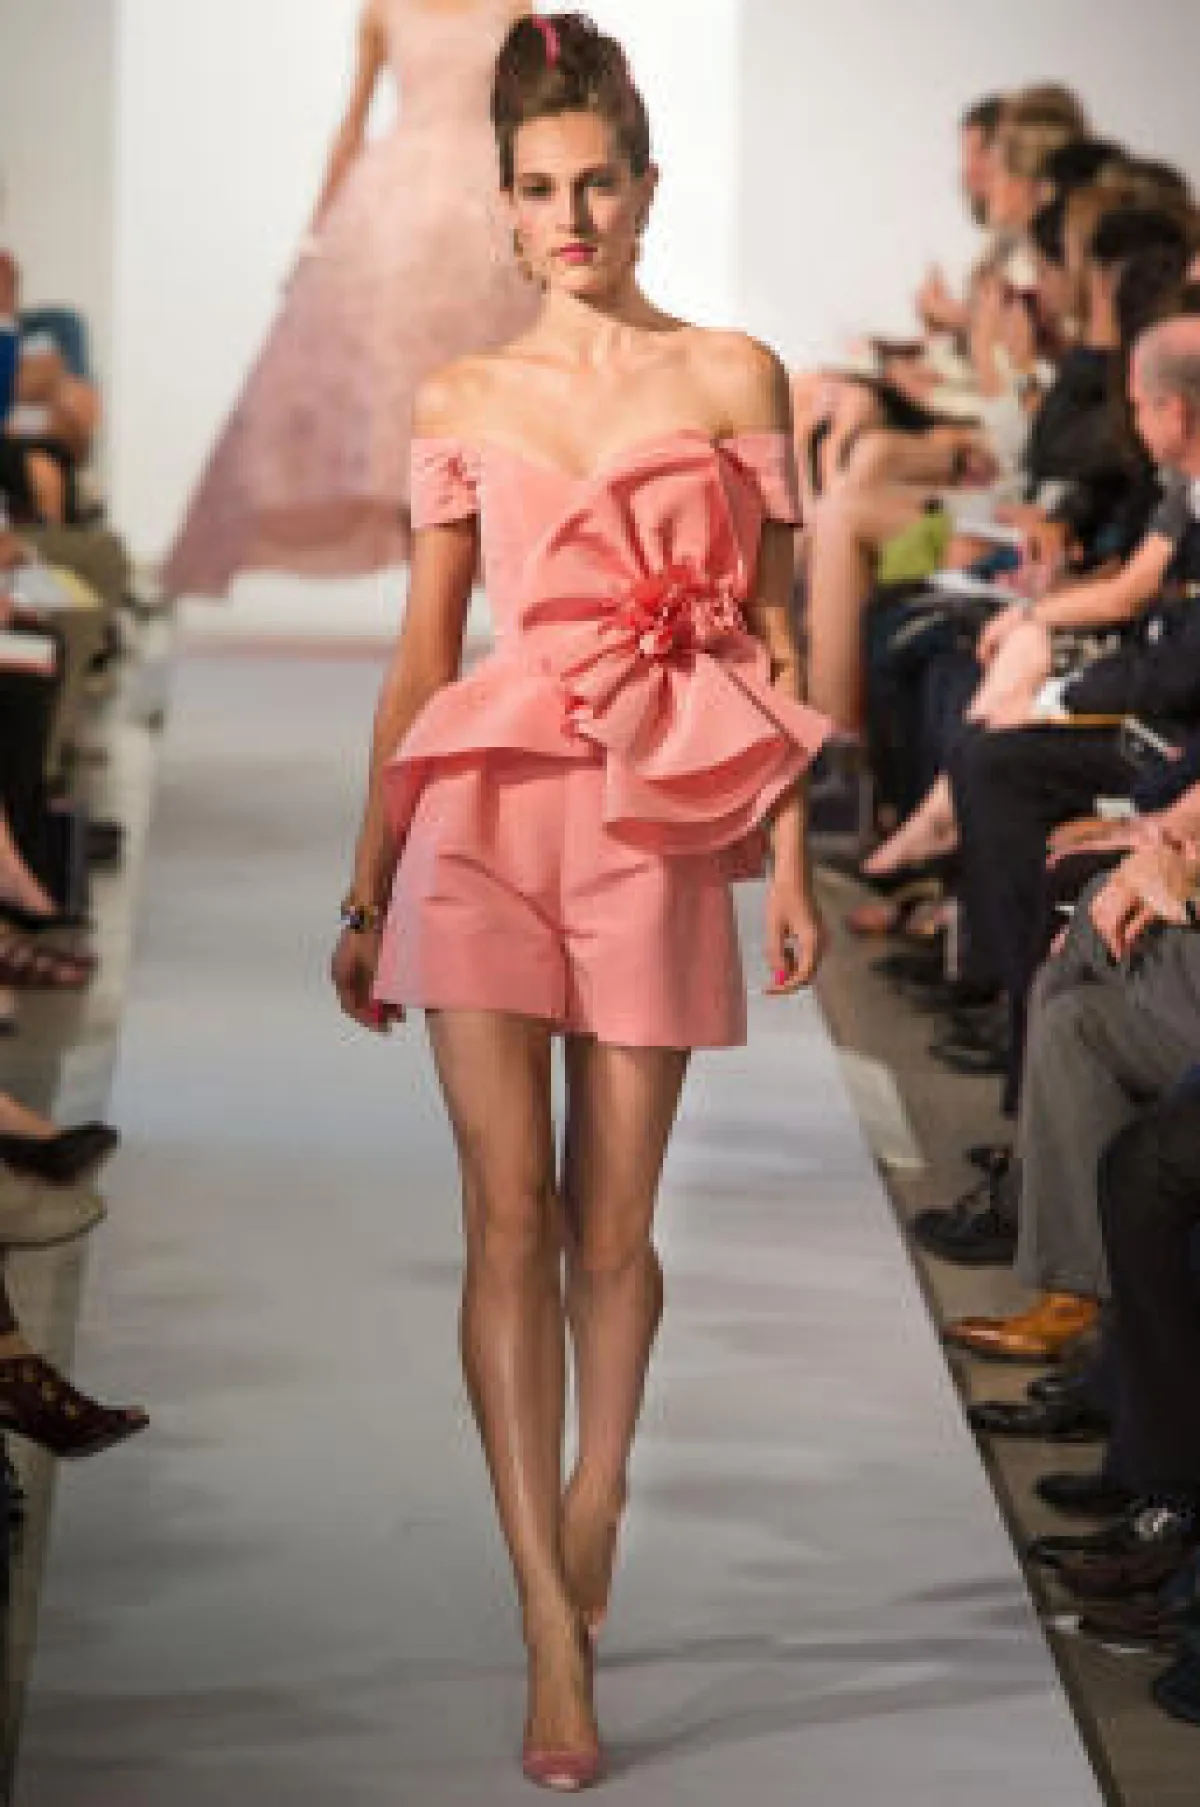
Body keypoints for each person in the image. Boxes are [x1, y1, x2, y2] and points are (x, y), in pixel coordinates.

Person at [331, 13, 829, 1789]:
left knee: (613, 1229)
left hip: (655, 825)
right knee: (508, 1219)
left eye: (597, 182)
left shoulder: (735, 376)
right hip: (479, 817)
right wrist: (367, 880)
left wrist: (787, 856)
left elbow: (777, 636)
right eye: (539, 188)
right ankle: (549, 1616)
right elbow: (422, 655)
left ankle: (596, 1485)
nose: (571, 216)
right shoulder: (461, 398)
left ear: (647, 184)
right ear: (503, 202)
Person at [162, 0, 537, 600]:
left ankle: (488, 599)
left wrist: (545, 206)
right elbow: (354, 120)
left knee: (487, 411)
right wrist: (315, 235)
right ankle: (430, 607)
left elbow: (530, 116)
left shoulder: (512, 5)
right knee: (401, 415)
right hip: (391, 220)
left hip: (485, 219)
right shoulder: (383, 10)